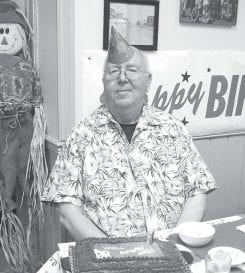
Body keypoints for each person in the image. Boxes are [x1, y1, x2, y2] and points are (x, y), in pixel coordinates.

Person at [42, 26, 217, 241]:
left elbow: (197, 192)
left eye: (132, 70)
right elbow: (67, 210)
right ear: (104, 81)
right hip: (107, 259)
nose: (123, 78)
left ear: (148, 81)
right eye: (114, 71)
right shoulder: (81, 135)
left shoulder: (173, 128)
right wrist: (111, 252)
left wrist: (176, 242)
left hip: (173, 251)